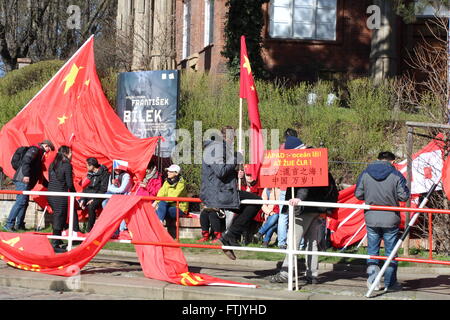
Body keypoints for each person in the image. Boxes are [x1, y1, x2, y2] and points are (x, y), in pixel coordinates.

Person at [269, 139, 337, 286]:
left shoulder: (303, 161)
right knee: (312, 243)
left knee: (293, 242)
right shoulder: (318, 160)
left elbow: (305, 184)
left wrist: (299, 198)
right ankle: (312, 275)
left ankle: (286, 273)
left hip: (303, 209)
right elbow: (329, 185)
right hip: (318, 209)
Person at [200, 126, 262, 260]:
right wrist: (235, 157)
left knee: (252, 204)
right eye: (233, 137)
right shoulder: (216, 149)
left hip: (221, 190)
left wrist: (235, 172)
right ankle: (230, 236)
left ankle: (230, 236)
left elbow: (219, 172)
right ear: (227, 137)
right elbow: (220, 171)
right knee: (256, 202)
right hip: (219, 193)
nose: (233, 140)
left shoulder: (217, 148)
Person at [355, 151, 410, 292]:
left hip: (371, 218)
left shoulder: (365, 173)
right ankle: (390, 284)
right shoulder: (396, 175)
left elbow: (358, 194)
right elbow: (403, 197)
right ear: (392, 162)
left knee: (373, 251)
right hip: (391, 219)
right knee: (390, 252)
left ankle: (373, 281)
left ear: (377, 159)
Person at [5, 140, 55, 232]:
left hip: (25, 180)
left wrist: (50, 186)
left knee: (24, 202)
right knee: (20, 202)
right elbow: (26, 161)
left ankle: (19, 225)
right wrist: (26, 175)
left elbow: (39, 173)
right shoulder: (35, 150)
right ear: (45, 145)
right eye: (49, 148)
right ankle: (9, 224)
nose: (48, 151)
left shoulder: (40, 154)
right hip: (22, 179)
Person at [47, 146, 78, 252]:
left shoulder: (53, 164)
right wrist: (75, 194)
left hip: (51, 193)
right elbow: (69, 183)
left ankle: (58, 240)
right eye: (71, 153)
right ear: (66, 153)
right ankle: (55, 244)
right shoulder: (66, 165)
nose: (72, 155)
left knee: (59, 215)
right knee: (59, 216)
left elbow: (50, 179)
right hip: (60, 194)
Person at [277, 130, 304, 249]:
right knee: (298, 215)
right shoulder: (299, 149)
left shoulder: (279, 149)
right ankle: (299, 243)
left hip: (283, 185)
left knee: (283, 216)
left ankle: (281, 242)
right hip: (296, 185)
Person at [78, 158, 110, 232]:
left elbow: (103, 189)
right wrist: (83, 199)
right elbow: (86, 189)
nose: (86, 167)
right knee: (76, 204)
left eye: (87, 165)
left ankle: (89, 230)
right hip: (89, 195)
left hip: (100, 196)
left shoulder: (105, 174)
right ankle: (75, 229)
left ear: (92, 166)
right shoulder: (89, 174)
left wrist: (94, 199)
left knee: (91, 206)